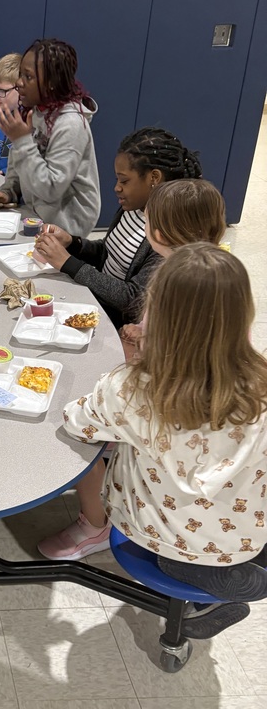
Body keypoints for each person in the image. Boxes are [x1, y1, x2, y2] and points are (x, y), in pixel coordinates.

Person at [46, 246, 267, 639]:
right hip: (248, 527)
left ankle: (205, 582)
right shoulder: (260, 384)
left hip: (162, 535)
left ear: (155, 317)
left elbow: (78, 422)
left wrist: (130, 362)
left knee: (174, 554)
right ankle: (231, 575)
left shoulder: (133, 389)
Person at [38, 173, 225, 564]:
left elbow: (88, 416)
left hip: (161, 429)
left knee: (78, 433)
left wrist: (133, 362)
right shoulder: (219, 275)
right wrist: (145, 333)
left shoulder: (172, 283)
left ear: (159, 231)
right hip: (190, 414)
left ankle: (96, 525)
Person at [32, 127, 203, 331]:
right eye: (117, 180)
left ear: (154, 178)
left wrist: (68, 263)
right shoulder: (132, 207)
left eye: (124, 181)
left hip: (118, 325)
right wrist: (72, 243)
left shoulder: (165, 235)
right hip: (95, 300)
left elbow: (134, 300)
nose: (117, 188)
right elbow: (110, 253)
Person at [0, 38, 100, 236]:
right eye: (21, 74)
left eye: (28, 77)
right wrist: (8, 191)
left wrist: (21, 141)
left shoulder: (71, 124)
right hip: (37, 216)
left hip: (66, 229)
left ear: (51, 84)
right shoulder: (36, 111)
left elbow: (51, 189)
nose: (19, 83)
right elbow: (20, 165)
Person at [119, 178, 226, 355]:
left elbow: (171, 350)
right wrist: (142, 329)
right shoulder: (224, 269)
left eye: (146, 220)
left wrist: (142, 341)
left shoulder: (177, 281)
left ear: (159, 235)